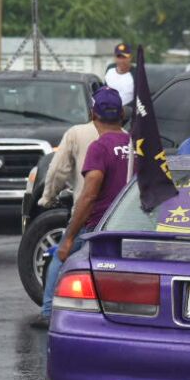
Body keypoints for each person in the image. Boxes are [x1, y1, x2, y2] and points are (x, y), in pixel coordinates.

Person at [48, 88, 131, 311]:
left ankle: (47, 311)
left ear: (93, 115)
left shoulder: (100, 147)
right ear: (122, 114)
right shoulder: (135, 145)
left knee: (61, 257)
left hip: (99, 228)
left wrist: (69, 238)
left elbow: (90, 194)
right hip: (130, 226)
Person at [103, 42, 136, 111]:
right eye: (119, 57)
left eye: (124, 57)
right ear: (115, 58)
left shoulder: (136, 74)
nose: (121, 61)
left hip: (127, 116)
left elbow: (140, 99)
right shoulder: (110, 69)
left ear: (130, 57)